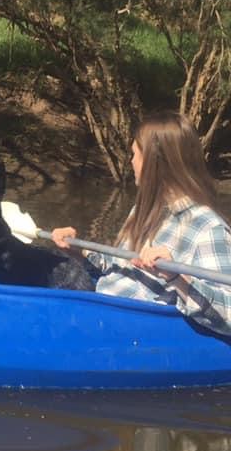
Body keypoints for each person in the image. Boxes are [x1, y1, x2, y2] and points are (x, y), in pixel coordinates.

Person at [52, 111, 231, 332]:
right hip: (104, 311)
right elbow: (121, 266)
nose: (131, 162)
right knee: (51, 263)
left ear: (154, 162)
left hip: (137, 331)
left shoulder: (207, 228)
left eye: (134, 154)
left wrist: (177, 277)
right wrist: (78, 250)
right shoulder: (143, 210)